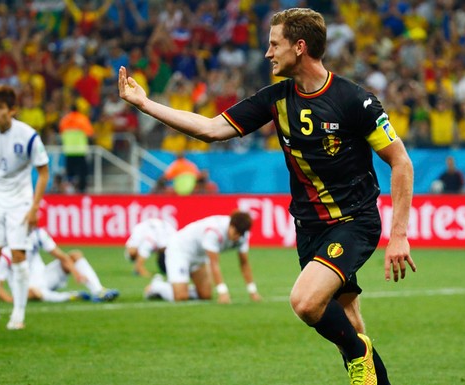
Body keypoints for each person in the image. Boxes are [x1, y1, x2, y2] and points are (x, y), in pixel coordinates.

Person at [119, 8, 415, 384]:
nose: (267, 53)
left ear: (300, 46)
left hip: (354, 222)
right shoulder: (275, 99)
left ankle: (361, 356)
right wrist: (146, 105)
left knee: (306, 303)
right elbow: (211, 129)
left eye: (275, 44)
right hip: (309, 229)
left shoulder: (356, 102)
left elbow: (401, 163)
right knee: (350, 327)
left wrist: (399, 235)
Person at [0, 85, 50, 330]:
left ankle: (18, 314)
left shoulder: (29, 136)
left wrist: (34, 207)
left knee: (18, 255)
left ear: (12, 110)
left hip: (20, 202)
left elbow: (44, 173)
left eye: (0, 108)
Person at [144, 210, 262, 304]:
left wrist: (252, 291)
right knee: (180, 297)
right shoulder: (214, 231)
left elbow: (244, 263)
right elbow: (214, 263)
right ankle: (157, 286)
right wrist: (223, 292)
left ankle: (181, 285)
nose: (237, 237)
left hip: (199, 256)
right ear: (230, 225)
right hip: (179, 250)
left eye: (240, 235)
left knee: (205, 295)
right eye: (235, 233)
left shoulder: (243, 236)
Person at [0, 228, 119, 303]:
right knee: (34, 292)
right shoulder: (7, 253)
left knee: (75, 255)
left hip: (44, 276)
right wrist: (10, 300)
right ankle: (70, 296)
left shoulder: (38, 234)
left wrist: (76, 272)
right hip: (25, 285)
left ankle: (98, 291)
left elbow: (61, 256)